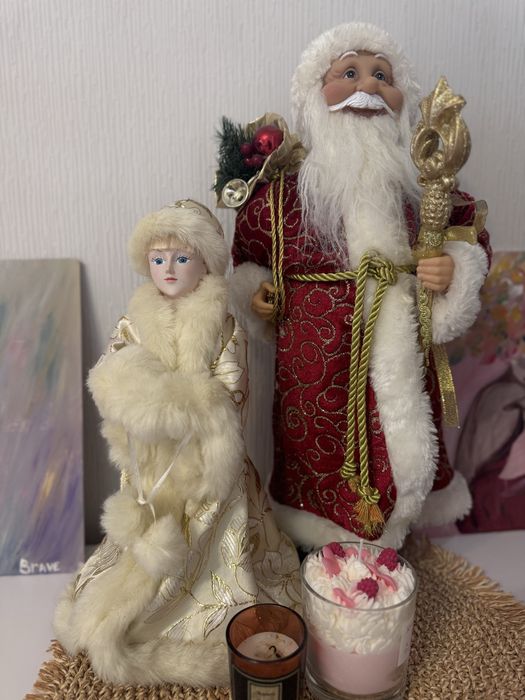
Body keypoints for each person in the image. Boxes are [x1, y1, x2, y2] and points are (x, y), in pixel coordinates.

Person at [228, 23, 491, 550]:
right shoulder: (282, 197)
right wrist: (255, 294)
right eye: (349, 73)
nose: (368, 86)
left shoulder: (422, 191)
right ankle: (320, 542)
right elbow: (249, 256)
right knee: (314, 447)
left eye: (382, 76)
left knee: (402, 440)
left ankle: (394, 534)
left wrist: (453, 269)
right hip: (315, 365)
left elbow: (469, 234)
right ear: (315, 93)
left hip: (402, 348)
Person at [54, 200, 301, 687]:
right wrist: (141, 398)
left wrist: (174, 403)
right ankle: (127, 606)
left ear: (205, 264)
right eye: (158, 258)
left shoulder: (223, 324)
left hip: (207, 465)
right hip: (151, 463)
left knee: (213, 538)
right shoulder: (135, 320)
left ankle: (197, 624)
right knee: (140, 534)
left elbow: (232, 389)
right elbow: (111, 369)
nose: (168, 268)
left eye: (182, 258)